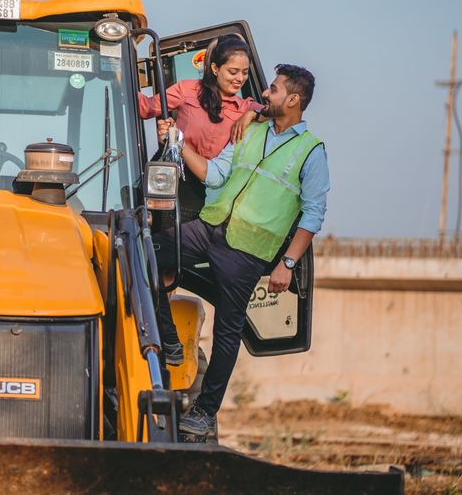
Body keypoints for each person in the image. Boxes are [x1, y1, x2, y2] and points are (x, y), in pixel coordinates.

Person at [154, 64, 329, 441]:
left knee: (227, 331)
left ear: (294, 99)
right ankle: (169, 339)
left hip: (248, 251)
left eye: (275, 89)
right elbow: (216, 174)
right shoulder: (250, 129)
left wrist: (287, 263)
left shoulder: (311, 152)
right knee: (145, 253)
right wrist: (179, 141)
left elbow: (313, 215)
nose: (265, 94)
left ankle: (204, 412)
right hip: (211, 226)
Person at [138, 36, 263, 366]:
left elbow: (271, 109)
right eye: (232, 71)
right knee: (147, 257)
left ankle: (168, 341)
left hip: (199, 190)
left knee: (167, 263)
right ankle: (168, 339)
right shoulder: (187, 91)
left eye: (244, 73)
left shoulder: (244, 107)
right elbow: (144, 107)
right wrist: (113, 72)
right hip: (167, 176)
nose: (239, 79)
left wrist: (252, 114)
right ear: (214, 68)